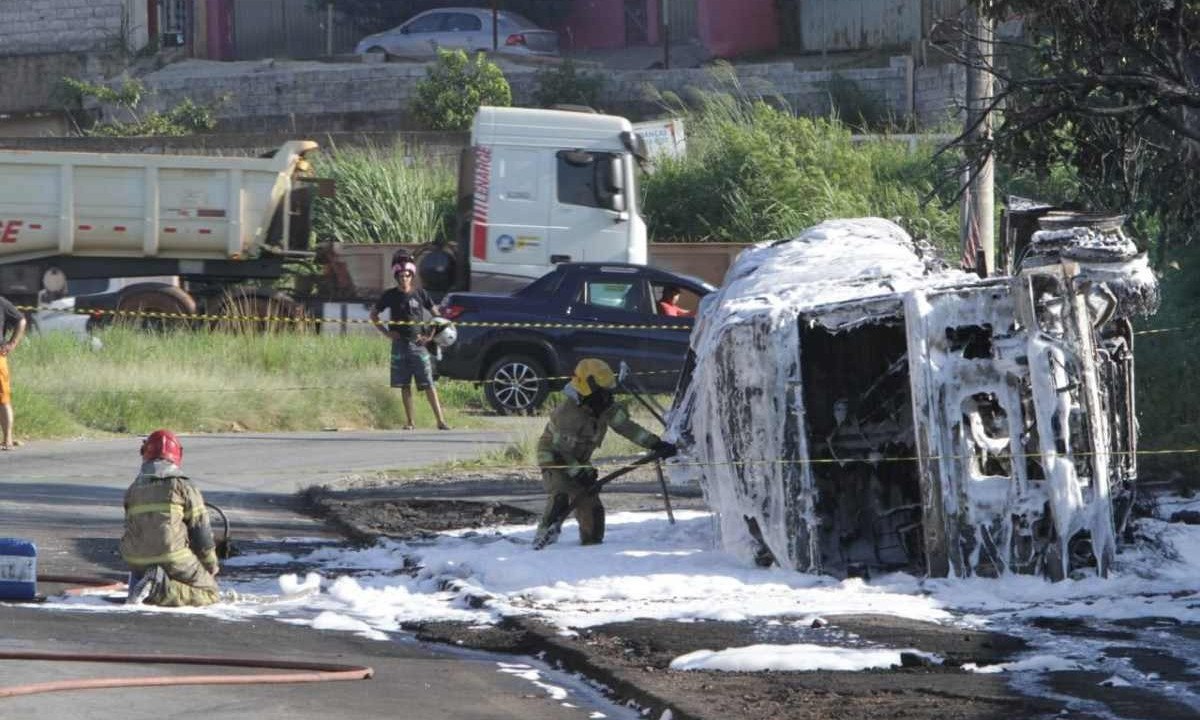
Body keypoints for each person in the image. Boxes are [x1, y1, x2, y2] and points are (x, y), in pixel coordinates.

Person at [534, 358, 676, 548]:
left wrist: (656, 444)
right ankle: (541, 542)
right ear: (588, 389)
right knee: (561, 496)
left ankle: (592, 547)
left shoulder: (603, 406)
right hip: (555, 459)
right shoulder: (568, 415)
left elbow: (627, 427)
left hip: (578, 460)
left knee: (591, 507)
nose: (608, 396)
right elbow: (561, 453)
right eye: (603, 391)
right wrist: (580, 472)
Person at [121, 430, 221, 607]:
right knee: (210, 593)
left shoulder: (133, 489)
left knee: (161, 575)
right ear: (177, 455)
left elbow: (129, 526)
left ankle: (145, 585)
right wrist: (210, 565)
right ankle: (156, 589)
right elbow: (201, 532)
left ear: (145, 453)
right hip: (173, 556)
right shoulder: (182, 485)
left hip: (135, 559)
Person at [370, 256, 450, 431]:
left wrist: (430, 335)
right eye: (400, 276)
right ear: (396, 277)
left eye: (407, 275)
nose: (404, 278)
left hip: (419, 346)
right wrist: (385, 332)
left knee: (428, 383)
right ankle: (410, 422)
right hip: (399, 346)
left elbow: (437, 315)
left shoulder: (421, 294)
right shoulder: (390, 295)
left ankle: (440, 421)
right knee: (404, 385)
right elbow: (374, 315)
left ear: (411, 276)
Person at [0, 295, 27, 451]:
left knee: (3, 398)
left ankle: (7, 440)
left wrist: (12, 343)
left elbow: (21, 320)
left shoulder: (2, 303)